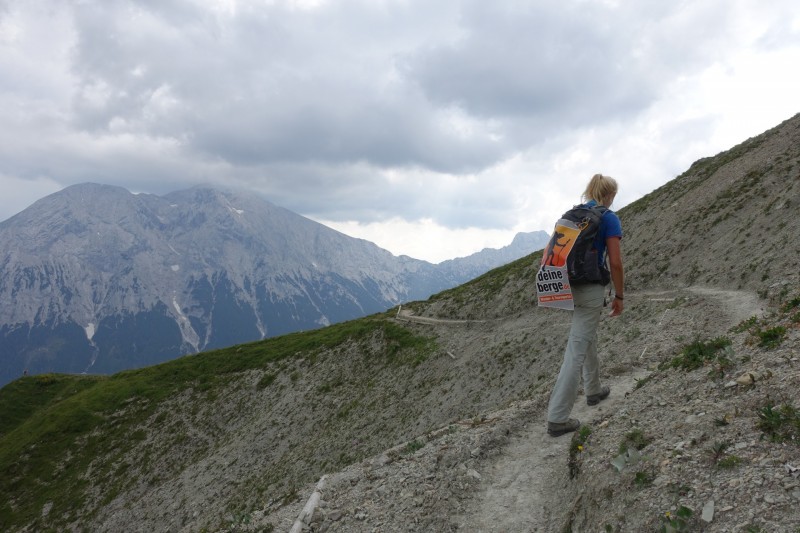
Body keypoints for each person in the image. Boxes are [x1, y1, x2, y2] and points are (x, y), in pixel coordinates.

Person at [547, 174, 624, 437]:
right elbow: (615, 262)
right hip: (590, 287)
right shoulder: (609, 218)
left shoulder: (572, 215)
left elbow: (550, 252)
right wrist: (620, 295)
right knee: (576, 348)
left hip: (567, 286)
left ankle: (593, 390)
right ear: (610, 194)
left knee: (585, 335)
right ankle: (557, 417)